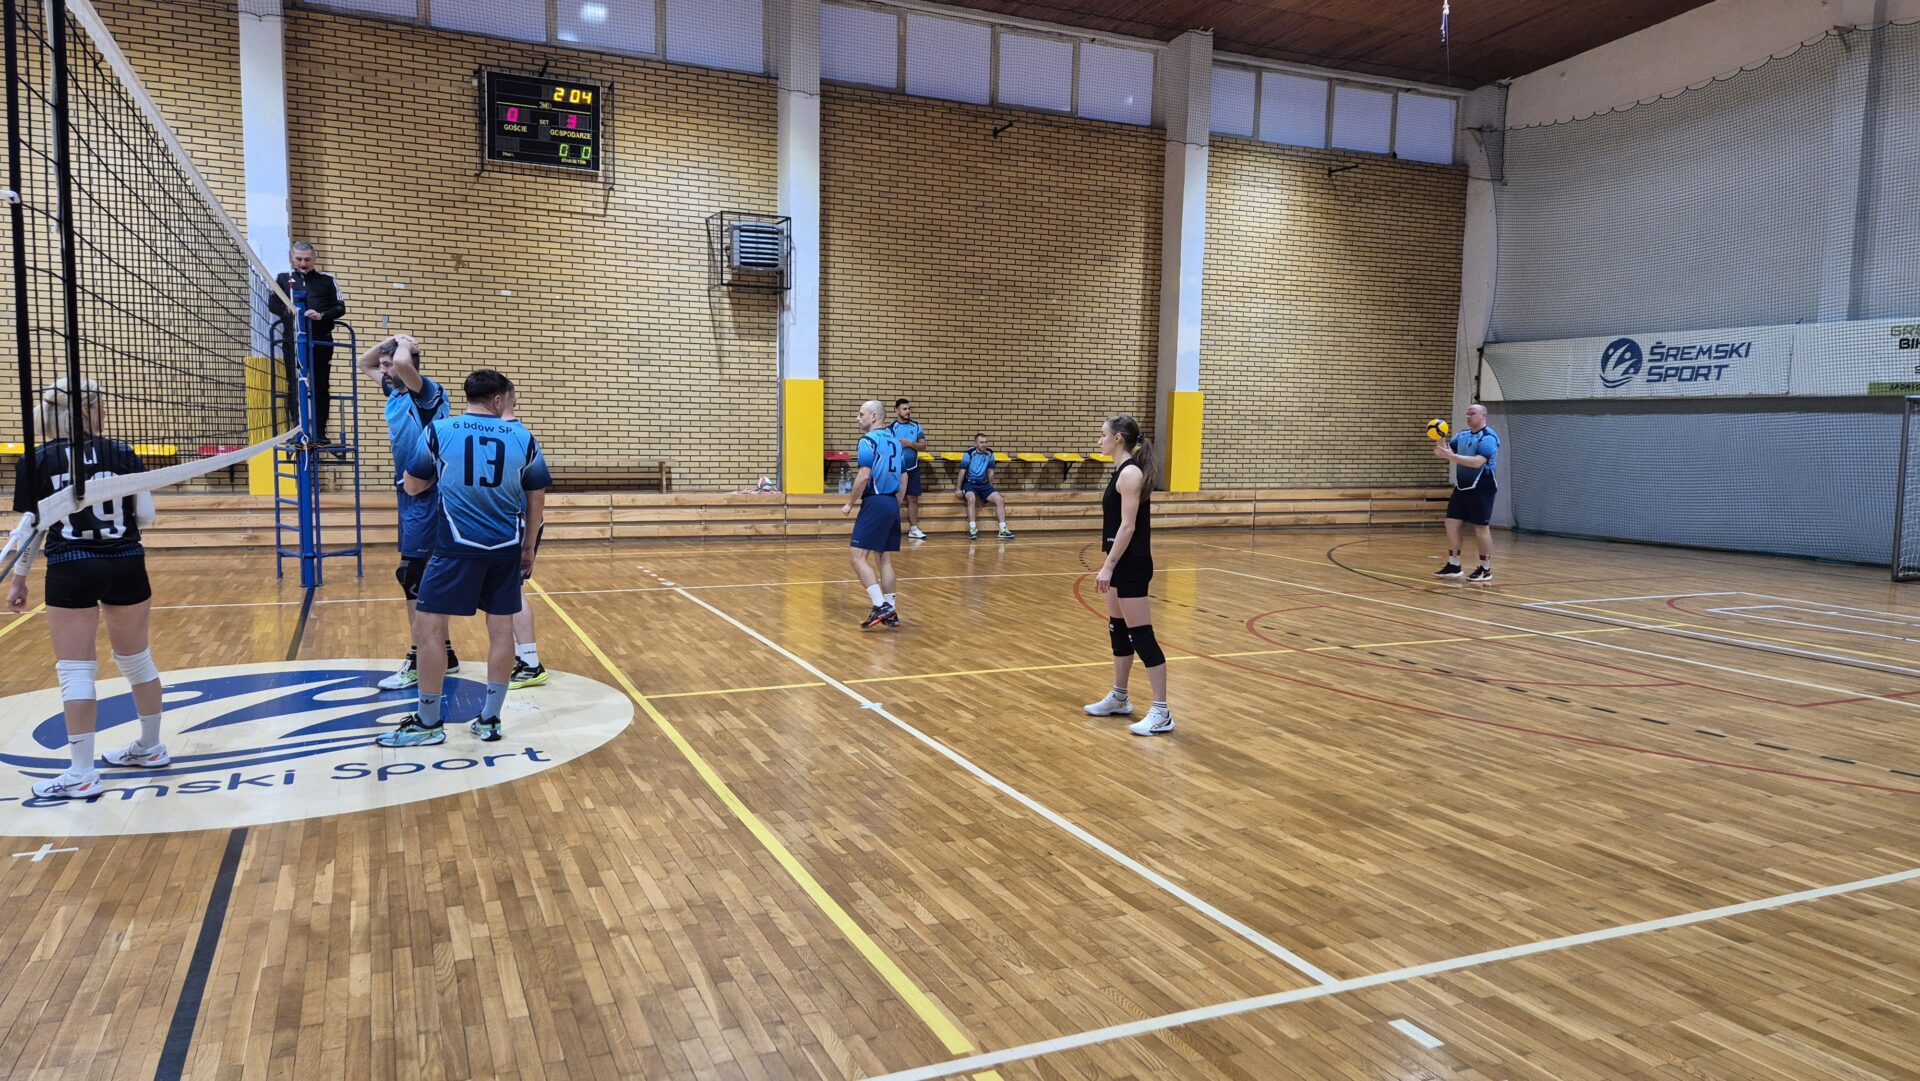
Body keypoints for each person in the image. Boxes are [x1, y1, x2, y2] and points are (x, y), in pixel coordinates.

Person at [7, 380, 170, 798]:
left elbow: (32, 529)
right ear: (88, 410)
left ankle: (81, 772)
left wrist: (19, 578)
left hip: (71, 566)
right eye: (102, 405)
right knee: (137, 660)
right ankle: (151, 747)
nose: (106, 411)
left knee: (76, 671)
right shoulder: (122, 452)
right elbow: (146, 516)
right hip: (126, 561)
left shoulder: (36, 459)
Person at [377, 370, 549, 748]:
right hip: (505, 546)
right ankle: (490, 719)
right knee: (501, 630)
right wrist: (528, 547)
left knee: (430, 628)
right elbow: (536, 496)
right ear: (498, 400)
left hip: (455, 545)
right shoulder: (523, 436)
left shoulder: (440, 430)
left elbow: (413, 485)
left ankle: (428, 722)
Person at [356, 335, 459, 690]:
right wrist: (390, 341)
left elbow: (401, 363)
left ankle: (418, 658)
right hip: (408, 492)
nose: (384, 371)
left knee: (412, 575)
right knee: (419, 574)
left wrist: (403, 347)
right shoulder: (396, 392)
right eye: (384, 366)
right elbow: (363, 363)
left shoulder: (425, 393)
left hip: (428, 492)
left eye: (389, 365)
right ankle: (446, 652)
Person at [1082, 414, 1172, 736]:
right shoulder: (1121, 472)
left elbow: (1128, 526)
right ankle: (1119, 697)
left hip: (1131, 564)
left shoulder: (1131, 473)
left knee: (1142, 635)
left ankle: (1162, 712)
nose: (1099, 440)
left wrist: (1108, 566)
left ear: (1118, 438)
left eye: (1102, 434)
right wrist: (1109, 562)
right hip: (1118, 561)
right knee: (1118, 631)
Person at [268, 242, 347, 444]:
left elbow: (340, 307)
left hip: (321, 341)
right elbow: (273, 304)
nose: (303, 263)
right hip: (293, 341)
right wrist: (291, 312)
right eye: (299, 259)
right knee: (294, 385)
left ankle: (320, 433)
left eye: (307, 259)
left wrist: (322, 315)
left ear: (314, 258)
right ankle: (297, 431)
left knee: (320, 386)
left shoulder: (327, 280)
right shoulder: (283, 278)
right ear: (291, 257)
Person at [840, 400, 904, 629]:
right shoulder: (896, 442)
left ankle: (880, 605)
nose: (857, 418)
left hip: (875, 501)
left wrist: (850, 503)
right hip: (891, 502)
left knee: (857, 557)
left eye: (861, 414)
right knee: (884, 558)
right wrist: (895, 503)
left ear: (874, 416)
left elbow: (864, 475)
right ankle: (891, 611)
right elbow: (904, 476)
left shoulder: (868, 441)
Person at [501, 401, 547, 689]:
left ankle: (530, 663)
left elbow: (537, 494)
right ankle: (524, 658)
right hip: (512, 524)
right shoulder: (511, 434)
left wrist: (528, 542)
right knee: (507, 593)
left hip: (517, 524)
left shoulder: (517, 436)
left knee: (513, 592)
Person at [1433, 403, 1500, 584]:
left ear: (1483, 416)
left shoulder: (1488, 437)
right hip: (1462, 487)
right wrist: (1439, 437)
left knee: (1480, 527)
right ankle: (1454, 565)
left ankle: (1485, 569)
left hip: (1482, 487)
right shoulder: (1462, 435)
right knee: (1451, 522)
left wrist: (1452, 457)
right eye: (1467, 413)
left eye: (1473, 413)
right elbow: (1443, 453)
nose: (1469, 416)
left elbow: (1477, 462)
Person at [956, 434, 1014, 540]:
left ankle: (1003, 529)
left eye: (986, 442)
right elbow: (962, 471)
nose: (984, 444)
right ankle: (973, 529)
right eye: (981, 442)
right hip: (970, 484)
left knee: (999, 499)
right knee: (971, 498)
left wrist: (991, 488)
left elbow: (991, 471)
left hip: (984, 484)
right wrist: (958, 489)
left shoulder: (990, 453)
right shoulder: (969, 454)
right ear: (976, 443)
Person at [888, 398, 928, 540]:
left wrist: (910, 444)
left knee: (913, 498)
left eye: (909, 409)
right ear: (897, 411)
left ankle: (914, 529)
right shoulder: (891, 428)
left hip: (913, 468)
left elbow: (923, 446)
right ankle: (890, 528)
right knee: (893, 499)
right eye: (904, 409)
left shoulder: (916, 426)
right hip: (896, 470)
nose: (908, 411)